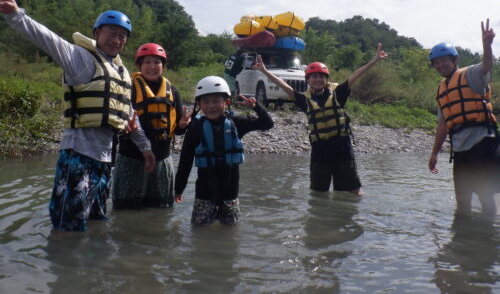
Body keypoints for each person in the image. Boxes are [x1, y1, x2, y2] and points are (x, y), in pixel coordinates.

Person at [0, 0, 155, 231]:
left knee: (96, 221)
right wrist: (16, 16)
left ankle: (91, 267)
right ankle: (64, 263)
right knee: (68, 224)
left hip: (106, 159)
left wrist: (145, 148)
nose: (116, 40)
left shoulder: (122, 72)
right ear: (97, 33)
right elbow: (47, 39)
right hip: (78, 154)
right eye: (111, 33)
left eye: (121, 36)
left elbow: (128, 113)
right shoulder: (78, 57)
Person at [253, 44, 388, 195]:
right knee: (318, 194)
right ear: (308, 80)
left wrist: (375, 60)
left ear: (326, 79)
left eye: (321, 76)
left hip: (342, 149)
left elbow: (355, 75)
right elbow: (283, 85)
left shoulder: (338, 93)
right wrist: (265, 71)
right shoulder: (304, 99)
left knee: (353, 190)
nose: (318, 79)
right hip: (319, 151)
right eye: (314, 77)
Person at [174, 76, 274, 225]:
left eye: (216, 101)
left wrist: (256, 107)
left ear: (226, 102)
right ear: (199, 104)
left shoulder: (237, 123)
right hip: (204, 194)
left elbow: (267, 124)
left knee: (230, 232)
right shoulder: (195, 128)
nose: (211, 106)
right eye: (206, 102)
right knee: (200, 230)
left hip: (230, 193)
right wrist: (179, 188)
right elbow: (185, 160)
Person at [428, 20, 499, 216]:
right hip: (459, 149)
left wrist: (487, 45)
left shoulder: (471, 74)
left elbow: (487, 64)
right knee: (462, 200)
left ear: (454, 60)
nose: (440, 65)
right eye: (437, 62)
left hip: (482, 143)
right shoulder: (441, 89)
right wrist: (434, 154)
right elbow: (443, 125)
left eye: (444, 60)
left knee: (486, 197)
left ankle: (486, 238)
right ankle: (462, 238)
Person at [112, 42, 190, 209]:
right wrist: (122, 128)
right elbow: (116, 121)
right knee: (126, 210)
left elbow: (176, 132)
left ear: (163, 65)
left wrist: (182, 126)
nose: (152, 67)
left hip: (162, 160)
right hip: (132, 158)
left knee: (161, 209)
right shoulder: (128, 88)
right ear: (139, 65)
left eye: (157, 62)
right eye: (147, 62)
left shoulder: (173, 91)